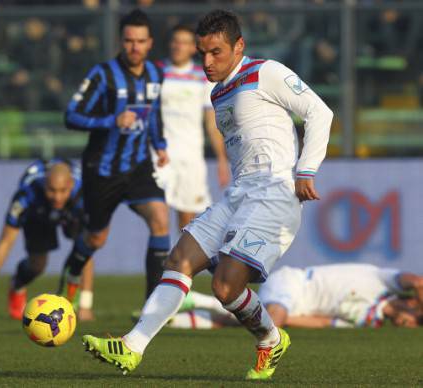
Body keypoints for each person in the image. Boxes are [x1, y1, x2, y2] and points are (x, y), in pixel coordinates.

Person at [82, 9, 333, 381]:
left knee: (225, 287)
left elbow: (319, 112)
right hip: (239, 195)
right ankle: (132, 347)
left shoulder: (266, 72)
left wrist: (306, 169)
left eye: (215, 52)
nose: (206, 62)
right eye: (202, 53)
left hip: (274, 196)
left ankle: (270, 337)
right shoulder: (218, 92)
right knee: (180, 258)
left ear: (239, 46)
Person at [62, 9, 170, 308]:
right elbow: (71, 116)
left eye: (140, 41)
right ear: (121, 42)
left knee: (161, 220)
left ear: (150, 43)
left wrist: (160, 145)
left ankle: (154, 307)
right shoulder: (103, 75)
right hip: (102, 169)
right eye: (129, 41)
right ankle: (71, 278)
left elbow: (153, 113)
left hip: (138, 167)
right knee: (96, 238)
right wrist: (111, 120)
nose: (134, 47)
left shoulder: (155, 73)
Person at [0, 159, 94, 322]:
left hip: (72, 211)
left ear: (71, 185)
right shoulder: (26, 196)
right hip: (39, 215)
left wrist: (86, 305)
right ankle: (17, 283)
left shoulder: (85, 196)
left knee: (82, 248)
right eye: (52, 190)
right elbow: (5, 243)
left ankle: (78, 301)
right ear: (44, 184)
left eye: (62, 190)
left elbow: (88, 249)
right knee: (37, 265)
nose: (57, 197)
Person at [168, 263, 423, 330]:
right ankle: (200, 300)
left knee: (255, 323)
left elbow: (323, 322)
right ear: (413, 302)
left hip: (294, 307)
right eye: (418, 319)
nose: (412, 324)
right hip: (294, 282)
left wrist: (288, 319)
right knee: (270, 322)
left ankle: (180, 315)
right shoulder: (386, 281)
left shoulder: (369, 322)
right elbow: (418, 281)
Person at [154, 24, 229, 229]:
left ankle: (182, 262)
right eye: (175, 41)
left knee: (187, 223)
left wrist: (222, 159)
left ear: (193, 48)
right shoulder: (156, 72)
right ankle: (160, 260)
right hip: (159, 155)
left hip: (190, 157)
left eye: (185, 43)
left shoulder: (202, 77)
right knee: (157, 215)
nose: (179, 46)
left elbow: (211, 122)